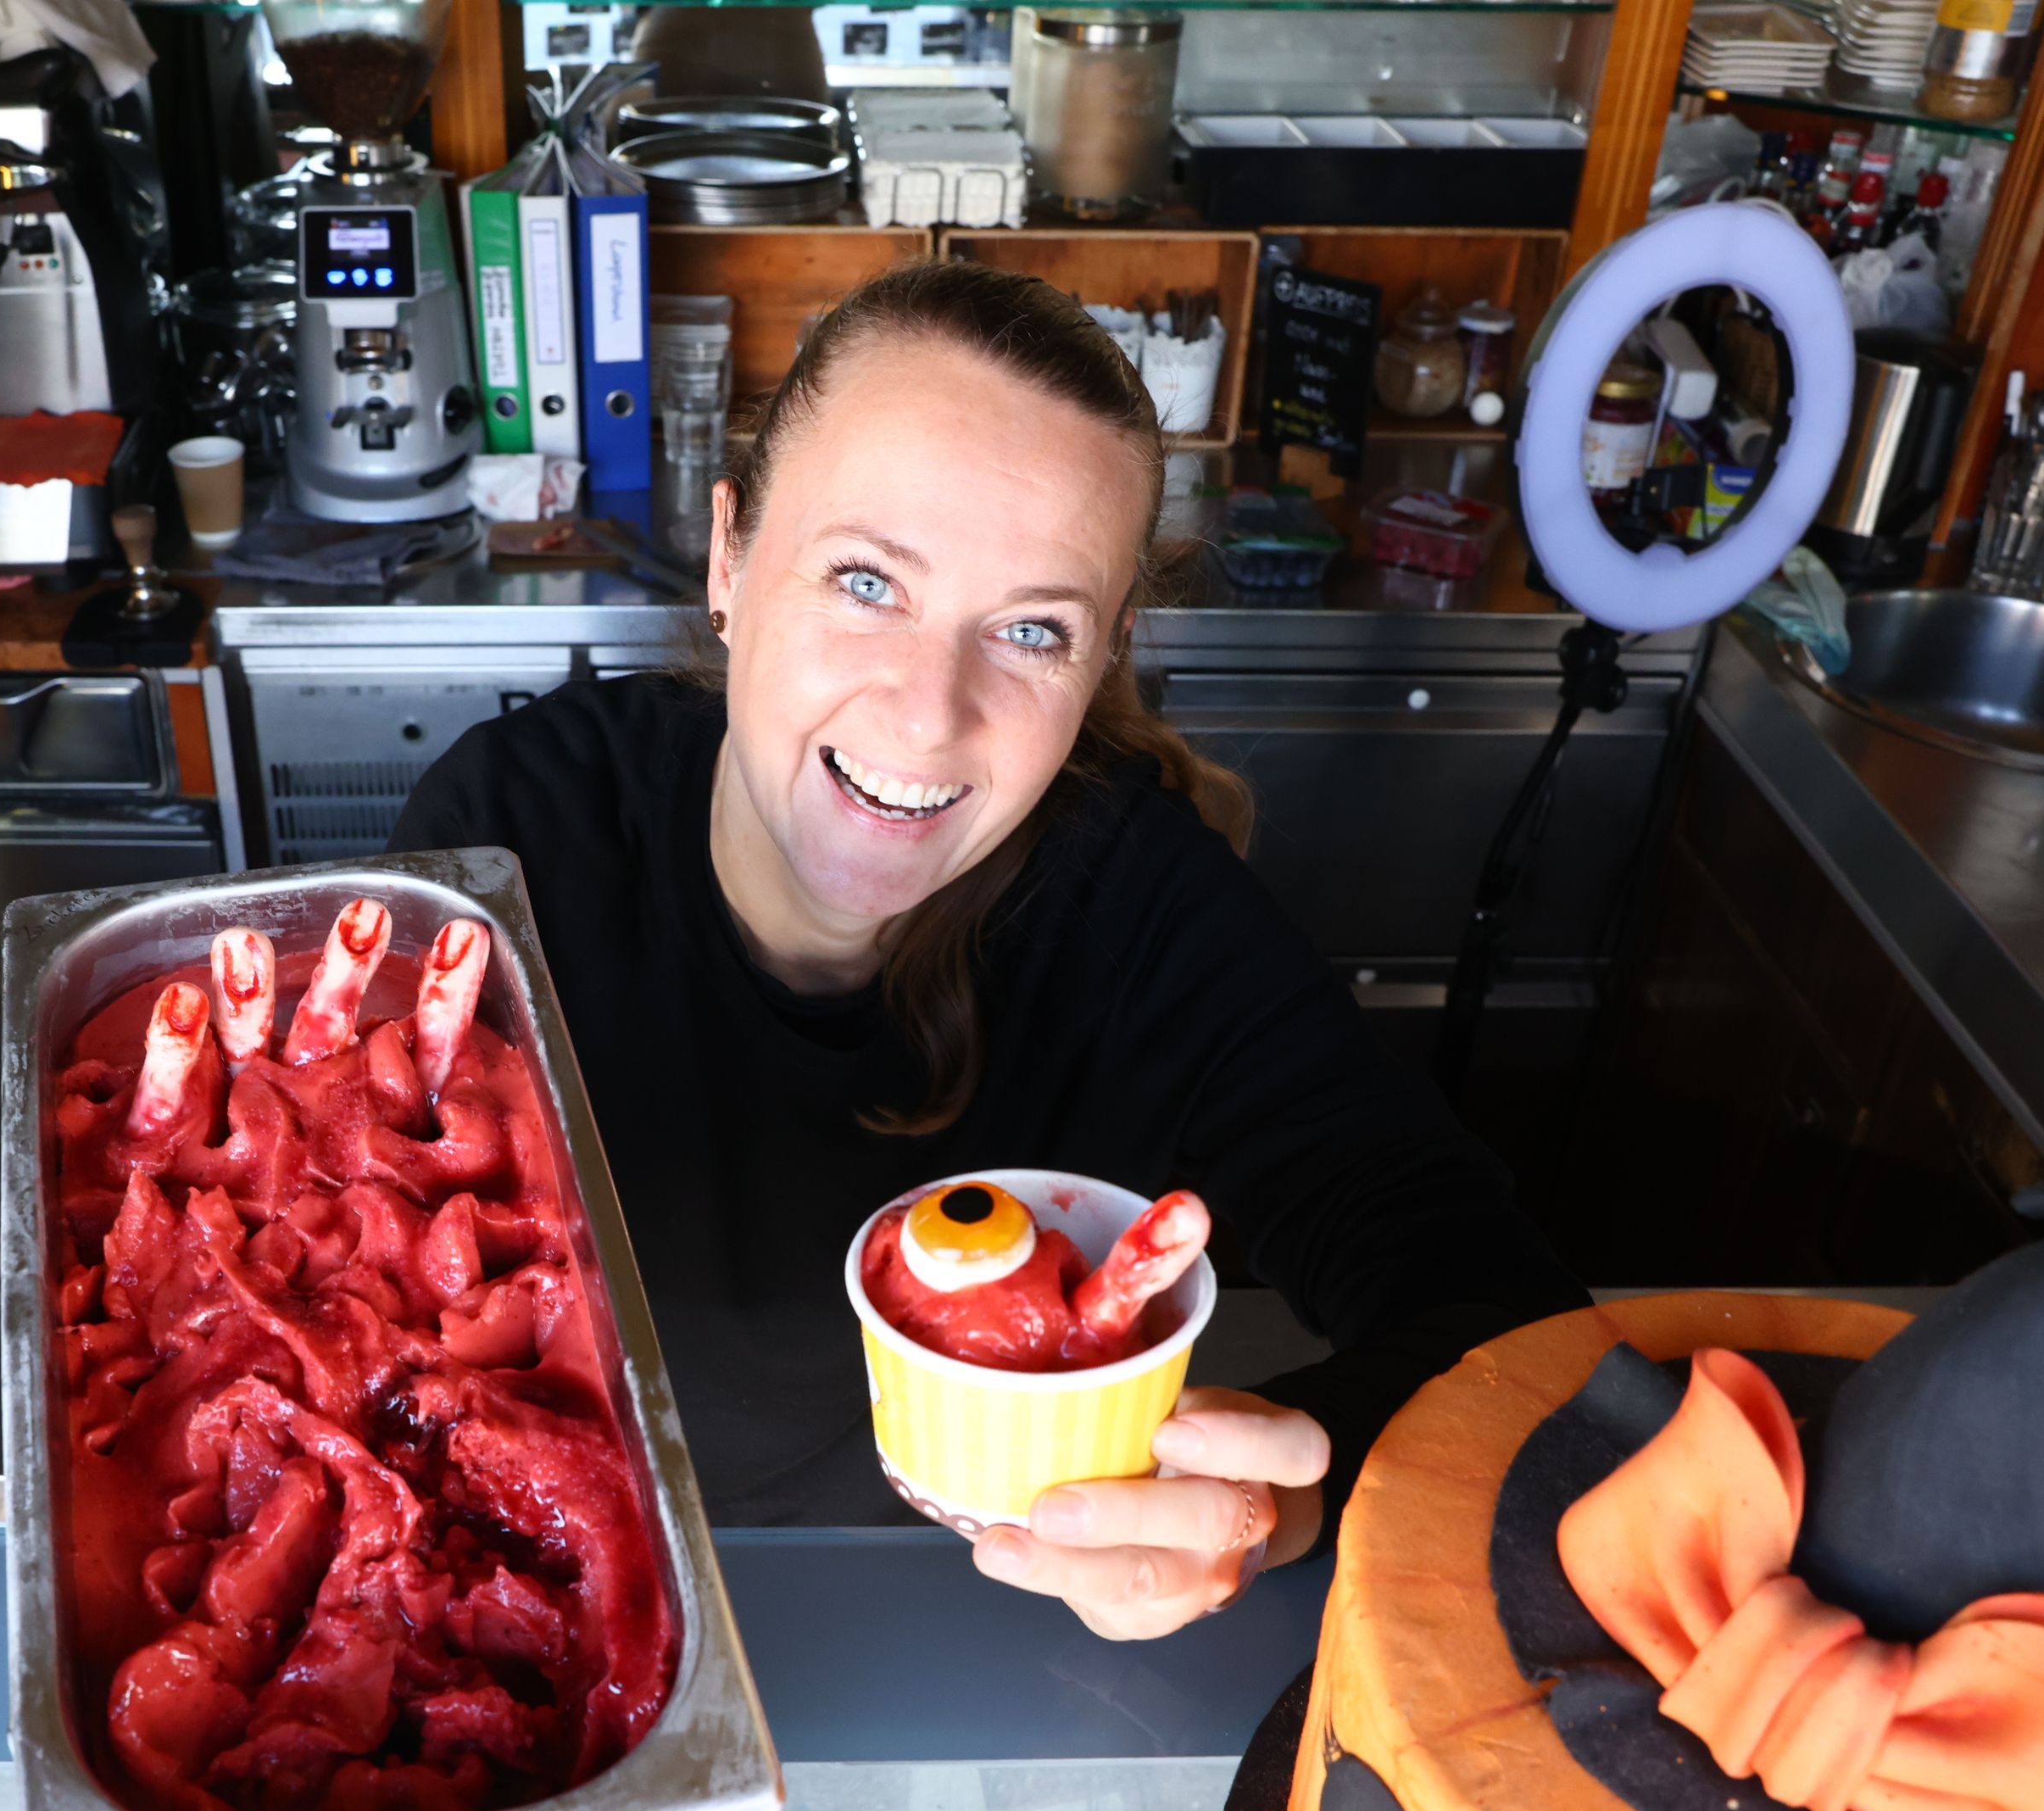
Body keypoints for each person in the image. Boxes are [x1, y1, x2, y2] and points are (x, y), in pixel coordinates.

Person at [389, 261, 1587, 1639]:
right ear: (731, 559)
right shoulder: (512, 842)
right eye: (864, 580)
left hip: (964, 1635)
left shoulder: (1142, 915)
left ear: (1104, 662)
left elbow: (1516, 1338)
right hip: (514, 1617)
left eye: (1031, 631)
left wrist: (1270, 1511)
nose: (927, 717)